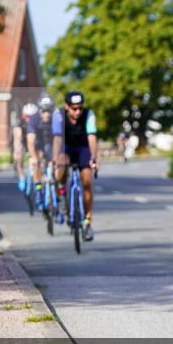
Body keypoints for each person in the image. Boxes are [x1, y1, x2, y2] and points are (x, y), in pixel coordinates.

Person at [52, 90, 99, 241]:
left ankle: (87, 222)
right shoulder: (58, 115)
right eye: (74, 108)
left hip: (83, 147)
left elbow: (92, 136)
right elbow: (57, 138)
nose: (78, 112)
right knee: (62, 163)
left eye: (80, 108)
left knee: (87, 181)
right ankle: (62, 192)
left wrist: (93, 157)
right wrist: (55, 158)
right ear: (67, 106)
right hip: (66, 146)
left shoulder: (89, 115)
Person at [26, 96, 56, 204]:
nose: (46, 114)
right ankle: (38, 189)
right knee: (37, 161)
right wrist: (34, 157)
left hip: (49, 142)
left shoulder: (55, 119)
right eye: (44, 111)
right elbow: (30, 140)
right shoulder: (34, 119)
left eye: (49, 111)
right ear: (39, 111)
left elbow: (59, 139)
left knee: (56, 165)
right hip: (38, 142)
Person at [13, 104, 37, 191]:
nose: (29, 119)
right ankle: (22, 177)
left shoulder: (38, 123)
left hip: (35, 144)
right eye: (27, 116)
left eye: (32, 117)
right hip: (24, 143)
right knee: (19, 156)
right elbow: (17, 140)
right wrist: (16, 152)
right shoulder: (20, 125)